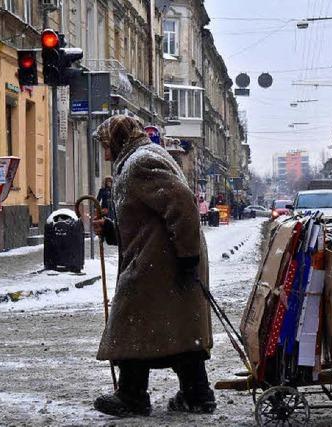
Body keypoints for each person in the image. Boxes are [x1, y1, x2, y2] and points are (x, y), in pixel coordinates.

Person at [91, 115, 215, 417]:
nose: (105, 154)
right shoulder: (140, 158)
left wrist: (187, 256)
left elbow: (182, 203)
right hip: (158, 258)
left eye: (107, 145)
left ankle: (132, 396)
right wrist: (111, 230)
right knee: (178, 328)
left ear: (118, 140)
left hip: (163, 262)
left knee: (131, 321)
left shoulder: (141, 163)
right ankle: (196, 394)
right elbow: (145, 217)